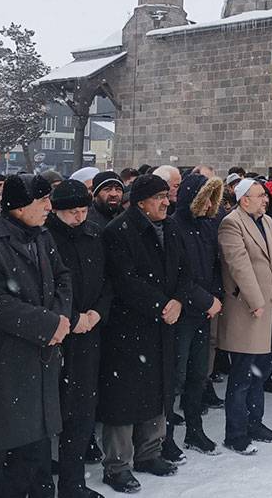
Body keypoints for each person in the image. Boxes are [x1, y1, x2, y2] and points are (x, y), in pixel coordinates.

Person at [0, 174, 73, 498]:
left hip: (39, 365)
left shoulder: (40, 235)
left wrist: (61, 318)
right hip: (2, 369)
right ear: (20, 207)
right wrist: (48, 325)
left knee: (36, 458)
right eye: (43, 201)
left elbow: (63, 276)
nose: (50, 208)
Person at [97, 174, 193, 493]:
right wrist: (162, 304)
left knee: (158, 389)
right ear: (140, 202)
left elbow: (184, 270)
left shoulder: (170, 227)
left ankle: (150, 453)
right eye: (159, 197)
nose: (167, 202)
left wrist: (177, 300)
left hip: (162, 322)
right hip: (129, 326)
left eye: (167, 195)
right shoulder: (118, 231)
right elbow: (125, 280)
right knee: (123, 398)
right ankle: (117, 465)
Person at [217, 178, 272, 455]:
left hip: (271, 311)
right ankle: (236, 433)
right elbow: (238, 265)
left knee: (261, 373)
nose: (265, 199)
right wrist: (256, 300)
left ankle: (256, 423)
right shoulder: (231, 224)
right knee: (241, 377)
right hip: (248, 312)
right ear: (244, 200)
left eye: (265, 195)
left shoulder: (265, 221)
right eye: (259, 195)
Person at [45, 179, 111, 498]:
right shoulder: (44, 237)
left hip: (89, 332)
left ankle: (73, 483)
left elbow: (107, 280)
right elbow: (46, 287)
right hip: (54, 335)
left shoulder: (94, 233)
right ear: (56, 211)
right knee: (47, 412)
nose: (79, 217)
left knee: (82, 412)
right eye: (72, 212)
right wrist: (71, 319)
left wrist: (97, 313)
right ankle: (42, 481)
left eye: (84, 210)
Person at [165, 174, 224, 459]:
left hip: (203, 312)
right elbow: (178, 275)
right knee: (174, 377)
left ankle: (194, 429)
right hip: (183, 314)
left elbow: (215, 267)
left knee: (198, 375)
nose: (211, 203)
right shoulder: (174, 226)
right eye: (206, 197)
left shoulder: (206, 226)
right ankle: (164, 436)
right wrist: (207, 299)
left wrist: (216, 298)